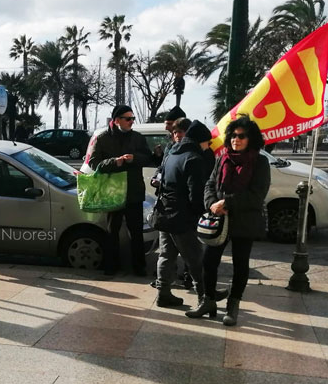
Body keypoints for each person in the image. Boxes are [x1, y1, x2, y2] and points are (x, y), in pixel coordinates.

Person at [187, 115, 270, 326]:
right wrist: (212, 203)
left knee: (240, 265)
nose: (236, 139)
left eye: (241, 136)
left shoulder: (260, 162)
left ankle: (233, 305)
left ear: (251, 138)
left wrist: (227, 202)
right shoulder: (223, 159)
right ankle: (208, 301)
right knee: (208, 262)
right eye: (233, 135)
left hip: (245, 221)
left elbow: (257, 194)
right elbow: (209, 184)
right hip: (218, 221)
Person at [87, 104, 154, 276]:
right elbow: (94, 163)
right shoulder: (102, 138)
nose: (131, 121)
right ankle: (111, 266)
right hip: (112, 192)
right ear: (117, 120)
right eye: (128, 119)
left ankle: (139, 267)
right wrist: (114, 162)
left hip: (134, 192)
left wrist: (134, 159)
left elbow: (147, 158)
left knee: (136, 232)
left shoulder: (137, 138)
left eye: (132, 118)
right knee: (112, 232)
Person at [153, 121, 213, 307]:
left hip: (165, 214)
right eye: (207, 142)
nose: (208, 146)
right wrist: (201, 214)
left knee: (166, 255)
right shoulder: (193, 159)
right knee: (195, 258)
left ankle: (163, 292)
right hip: (182, 218)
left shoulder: (172, 155)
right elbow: (195, 195)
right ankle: (205, 296)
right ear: (200, 141)